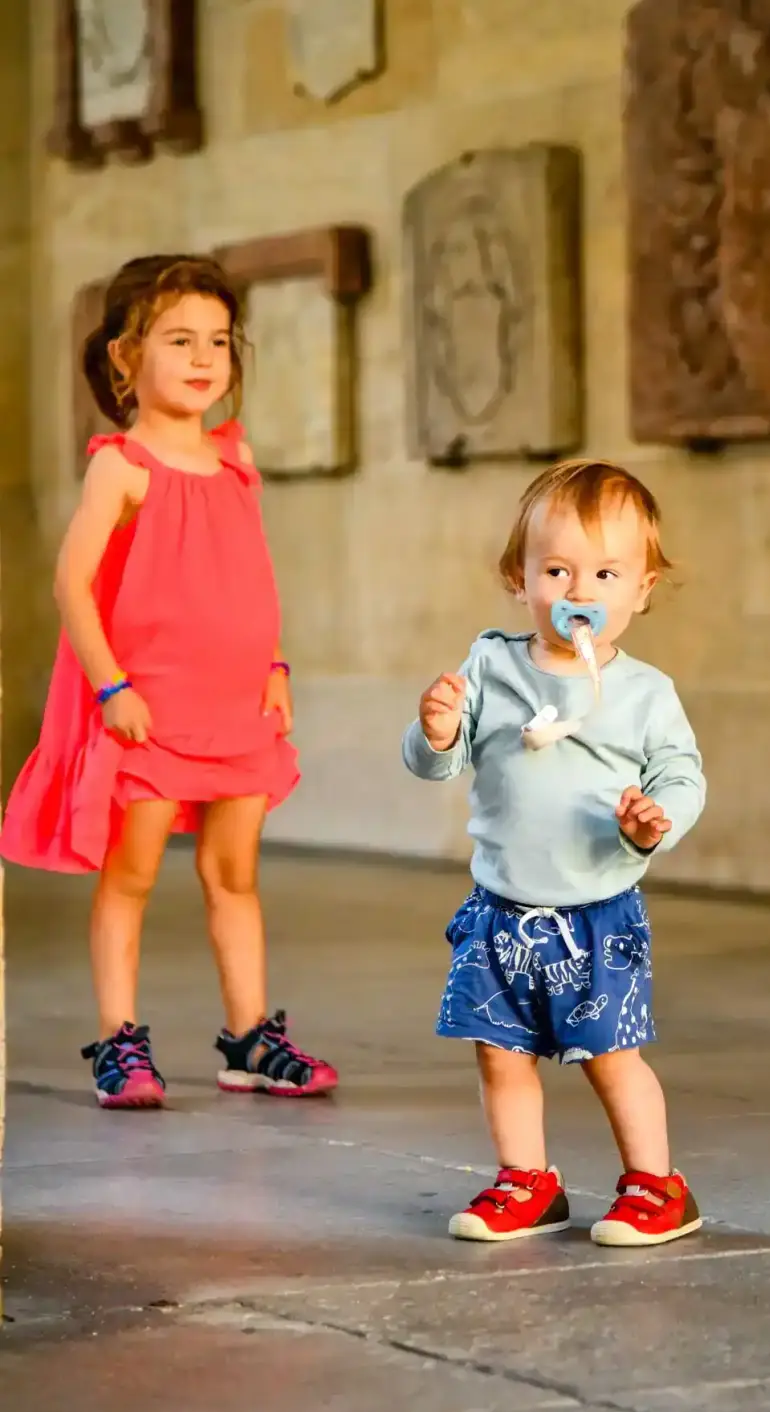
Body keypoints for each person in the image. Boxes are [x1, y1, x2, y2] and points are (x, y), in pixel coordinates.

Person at [0, 254, 338, 1109]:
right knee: (133, 874)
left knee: (235, 877)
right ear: (125, 357)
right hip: (148, 710)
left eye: (218, 341)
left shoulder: (235, 458)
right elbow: (72, 585)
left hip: (236, 706)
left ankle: (251, 1038)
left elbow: (248, 574)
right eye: (179, 339)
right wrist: (112, 688)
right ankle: (119, 1040)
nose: (203, 358)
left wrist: (274, 666)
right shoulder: (123, 464)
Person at [402, 460, 706, 1245]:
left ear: (641, 589)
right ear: (520, 576)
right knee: (501, 1056)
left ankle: (656, 1185)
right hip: (502, 905)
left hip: (596, 912)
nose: (581, 591)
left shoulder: (642, 692)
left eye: (606, 573)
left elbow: (680, 774)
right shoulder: (493, 667)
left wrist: (654, 818)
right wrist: (436, 731)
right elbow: (441, 758)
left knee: (611, 1056)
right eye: (558, 569)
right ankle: (528, 1180)